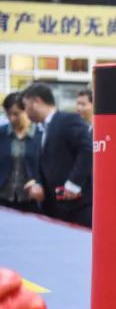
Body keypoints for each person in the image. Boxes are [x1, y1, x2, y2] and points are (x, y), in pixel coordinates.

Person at [20, 82, 93, 227]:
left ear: (37, 102)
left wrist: (73, 184)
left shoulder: (68, 120)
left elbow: (86, 150)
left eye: (26, 106)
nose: (26, 112)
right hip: (53, 209)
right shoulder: (40, 130)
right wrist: (38, 184)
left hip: (76, 208)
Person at [0, 93, 41, 213]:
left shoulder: (40, 135)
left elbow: (49, 166)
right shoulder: (2, 134)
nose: (11, 118)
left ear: (27, 110)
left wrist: (38, 182)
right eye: (8, 114)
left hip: (31, 200)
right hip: (3, 198)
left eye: (16, 114)